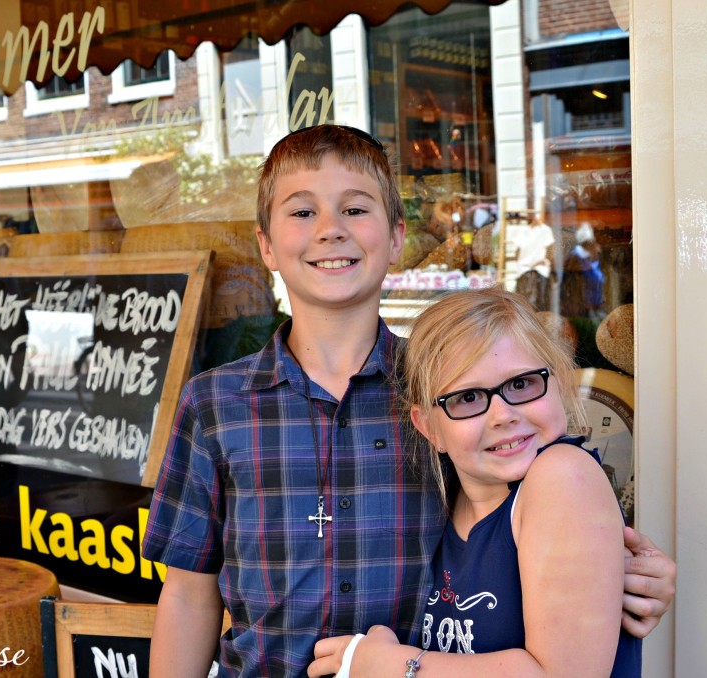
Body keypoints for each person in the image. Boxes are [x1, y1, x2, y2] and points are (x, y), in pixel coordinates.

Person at [142, 125, 675, 677]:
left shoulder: (448, 393)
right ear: (266, 245)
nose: (330, 230)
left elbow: (537, 516)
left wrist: (626, 570)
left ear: (397, 237)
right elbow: (188, 595)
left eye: (355, 209)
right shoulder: (215, 405)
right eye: (303, 213)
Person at [309, 288, 640, 677]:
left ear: (559, 382)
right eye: (467, 398)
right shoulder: (442, 503)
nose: (503, 415)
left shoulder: (563, 476)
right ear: (428, 426)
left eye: (521, 384)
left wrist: (391, 666)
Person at [513, 216, 556, 311]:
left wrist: (544, 261)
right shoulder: (524, 231)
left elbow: (550, 250)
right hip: (526, 270)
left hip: (538, 270)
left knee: (538, 301)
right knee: (527, 301)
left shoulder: (546, 230)